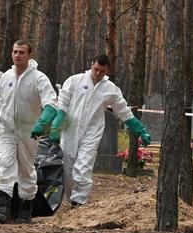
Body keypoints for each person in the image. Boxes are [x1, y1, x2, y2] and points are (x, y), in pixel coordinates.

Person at [42, 54, 151, 207]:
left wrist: (141, 130)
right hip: (70, 129)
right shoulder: (75, 81)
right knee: (68, 166)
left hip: (92, 131)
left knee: (84, 165)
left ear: (107, 71)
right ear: (91, 65)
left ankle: (79, 200)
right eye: (96, 69)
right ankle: (70, 198)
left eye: (102, 71)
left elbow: (124, 112)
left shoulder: (111, 89)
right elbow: (63, 104)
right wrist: (56, 126)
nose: (98, 73)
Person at [0, 40, 58, 224]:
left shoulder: (39, 78)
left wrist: (42, 122)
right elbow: (1, 103)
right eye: (15, 51)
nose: (17, 55)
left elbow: (51, 103)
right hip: (6, 129)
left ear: (29, 55)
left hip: (29, 131)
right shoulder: (6, 77)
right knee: (4, 164)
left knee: (26, 168)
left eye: (22, 52)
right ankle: (3, 206)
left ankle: (25, 205)